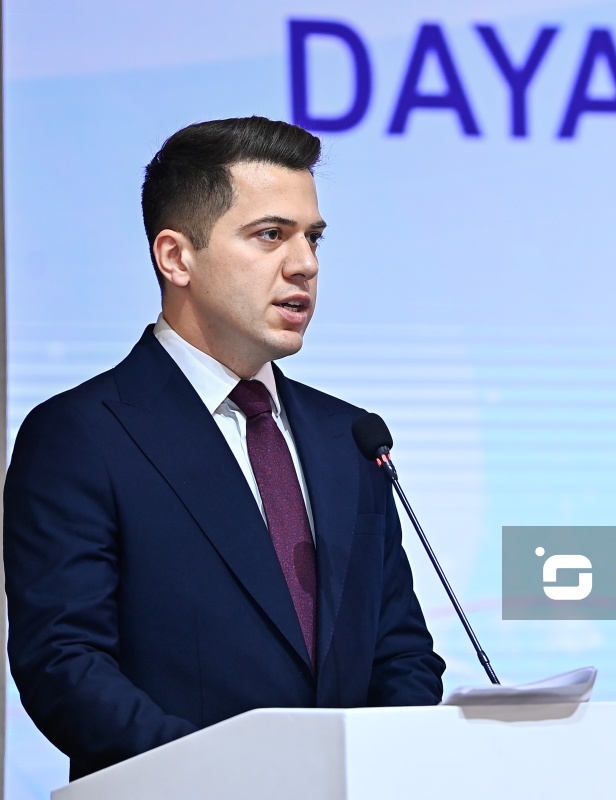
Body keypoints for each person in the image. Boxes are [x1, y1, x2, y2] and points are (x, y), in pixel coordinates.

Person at [4, 116, 446, 780]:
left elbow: (402, 654)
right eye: (270, 235)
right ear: (176, 258)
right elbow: (65, 666)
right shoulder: (82, 435)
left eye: (313, 237)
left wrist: (376, 772)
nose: (304, 264)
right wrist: (232, 778)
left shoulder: (350, 438)